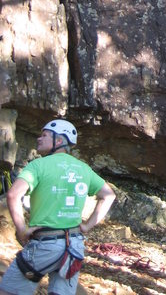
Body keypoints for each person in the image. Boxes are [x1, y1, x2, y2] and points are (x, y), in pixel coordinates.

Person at [0, 119, 116, 295]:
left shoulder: (38, 166)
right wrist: (87, 225)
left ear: (59, 141)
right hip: (73, 246)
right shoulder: (83, 169)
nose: (39, 139)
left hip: (44, 245)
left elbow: (13, 195)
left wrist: (22, 229)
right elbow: (108, 195)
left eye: (45, 135)